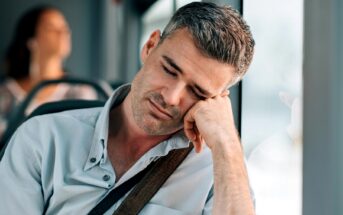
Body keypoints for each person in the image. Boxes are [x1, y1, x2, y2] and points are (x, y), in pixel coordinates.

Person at [0, 2, 255, 214]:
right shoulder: (42, 140)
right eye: (168, 70)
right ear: (150, 46)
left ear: (218, 100)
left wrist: (226, 143)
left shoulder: (217, 171)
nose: (172, 97)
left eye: (197, 92)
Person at [0, 5, 97, 138]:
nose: (63, 33)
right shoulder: (5, 94)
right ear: (30, 40)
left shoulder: (80, 92)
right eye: (51, 28)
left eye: (65, 28)